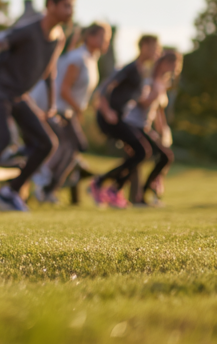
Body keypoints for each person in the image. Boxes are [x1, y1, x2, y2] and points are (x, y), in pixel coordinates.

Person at [0, 0, 74, 214]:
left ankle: (9, 192)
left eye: (72, 7)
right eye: (66, 6)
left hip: (17, 95)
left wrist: (51, 105)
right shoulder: (27, 31)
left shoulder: (58, 37)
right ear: (51, 5)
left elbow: (49, 71)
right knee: (3, 138)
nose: (70, 12)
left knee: (47, 143)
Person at [28, 22, 112, 204]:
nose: (106, 42)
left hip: (67, 110)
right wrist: (79, 109)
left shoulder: (90, 59)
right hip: (55, 109)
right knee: (68, 144)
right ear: (90, 37)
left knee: (75, 146)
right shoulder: (78, 58)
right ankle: (44, 177)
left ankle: (49, 186)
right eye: (103, 37)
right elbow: (64, 90)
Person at [88, 35, 161, 209]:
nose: (156, 52)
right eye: (153, 47)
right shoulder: (130, 68)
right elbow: (104, 89)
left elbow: (139, 101)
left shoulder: (143, 72)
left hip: (122, 119)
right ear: (143, 46)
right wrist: (107, 111)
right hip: (109, 117)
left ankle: (109, 187)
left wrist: (155, 94)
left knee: (140, 153)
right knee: (142, 151)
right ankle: (102, 184)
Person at [122, 50, 181, 206]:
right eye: (173, 65)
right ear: (163, 64)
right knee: (144, 157)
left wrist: (162, 132)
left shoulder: (162, 83)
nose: (175, 69)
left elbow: (158, 112)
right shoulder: (148, 80)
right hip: (133, 123)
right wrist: (154, 94)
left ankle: (139, 196)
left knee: (157, 156)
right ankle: (112, 188)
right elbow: (142, 102)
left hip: (144, 126)